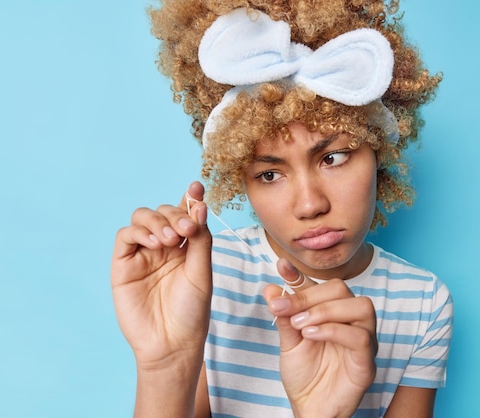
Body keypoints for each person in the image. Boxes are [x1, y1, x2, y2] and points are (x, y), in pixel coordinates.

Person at [111, 0, 453, 417]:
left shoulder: (423, 302)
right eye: (270, 175)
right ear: (240, 179)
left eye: (333, 158)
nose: (310, 205)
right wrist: (165, 366)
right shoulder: (200, 278)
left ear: (378, 151)